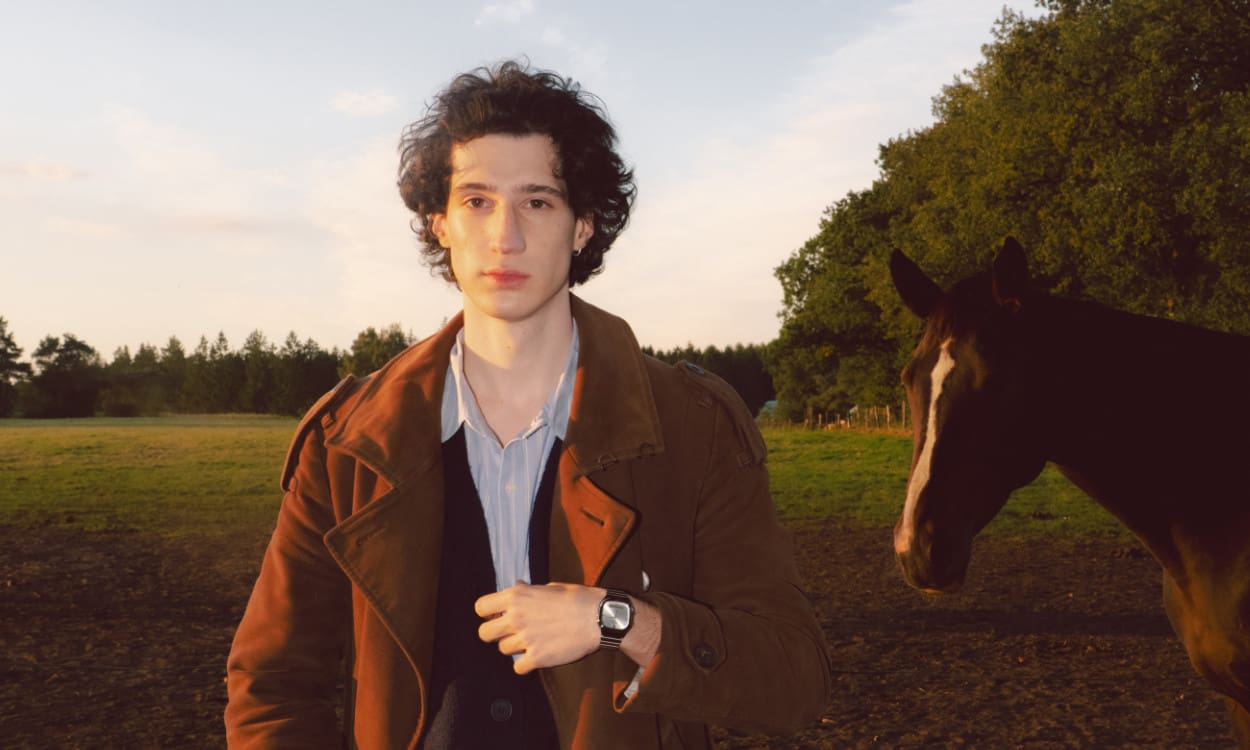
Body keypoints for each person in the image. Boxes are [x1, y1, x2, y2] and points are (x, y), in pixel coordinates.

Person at [225, 60, 831, 750]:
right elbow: (271, 688)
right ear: (440, 225)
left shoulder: (696, 427)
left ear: (583, 227)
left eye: (538, 201)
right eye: (477, 201)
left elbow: (794, 676)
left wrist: (622, 621)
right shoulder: (346, 443)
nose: (504, 236)